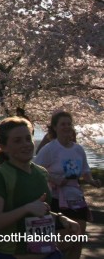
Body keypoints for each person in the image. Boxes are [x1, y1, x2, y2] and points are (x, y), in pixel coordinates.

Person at [0, 117, 81, 259]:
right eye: (17, 141)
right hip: (13, 254)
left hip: (50, 253)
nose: (26, 144)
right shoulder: (0, 175)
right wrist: (26, 208)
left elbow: (41, 210)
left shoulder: (42, 172)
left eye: (27, 138)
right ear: (3, 146)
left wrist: (62, 219)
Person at [34, 111, 100, 259]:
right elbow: (35, 169)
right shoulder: (50, 148)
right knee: (62, 243)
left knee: (77, 240)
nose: (66, 127)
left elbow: (85, 171)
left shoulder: (78, 149)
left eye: (69, 124)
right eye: (62, 124)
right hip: (57, 199)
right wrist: (54, 179)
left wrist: (91, 181)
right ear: (55, 127)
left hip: (76, 199)